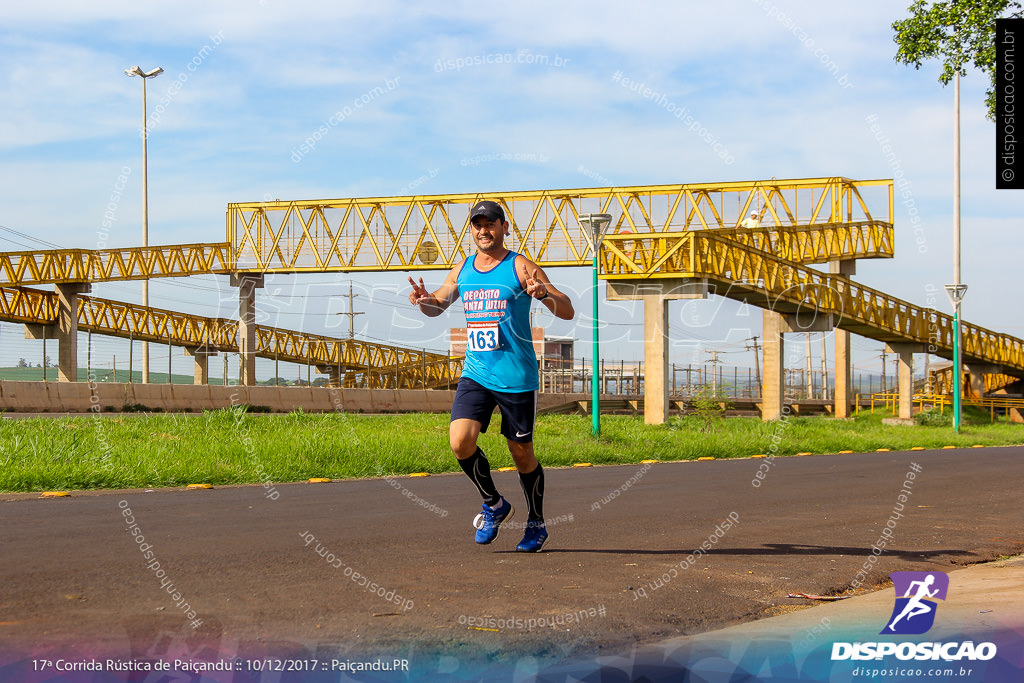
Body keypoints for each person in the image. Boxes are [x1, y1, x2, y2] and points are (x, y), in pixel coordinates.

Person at [407, 200, 575, 552]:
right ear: (472, 230)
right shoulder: (464, 268)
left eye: (490, 224)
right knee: (460, 441)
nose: (483, 230)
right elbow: (438, 305)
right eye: (477, 225)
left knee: (521, 453)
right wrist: (423, 300)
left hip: (516, 376)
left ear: (504, 227)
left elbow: (567, 309)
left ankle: (535, 524)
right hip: (476, 372)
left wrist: (543, 294)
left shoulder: (520, 265)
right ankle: (495, 504)